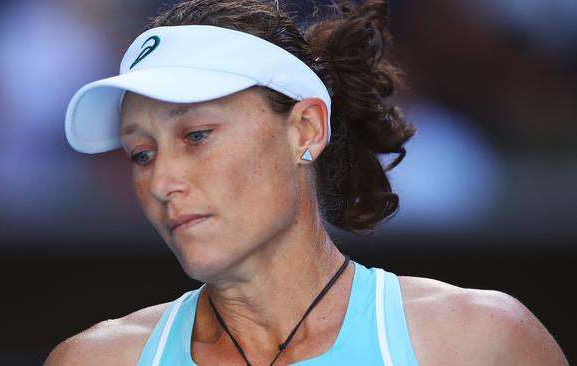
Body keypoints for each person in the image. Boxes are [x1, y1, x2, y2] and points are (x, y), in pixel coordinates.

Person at [46, 0, 569, 365]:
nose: (160, 180)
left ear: (306, 129)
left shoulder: (477, 343)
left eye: (197, 135)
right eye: (141, 153)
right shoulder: (93, 360)